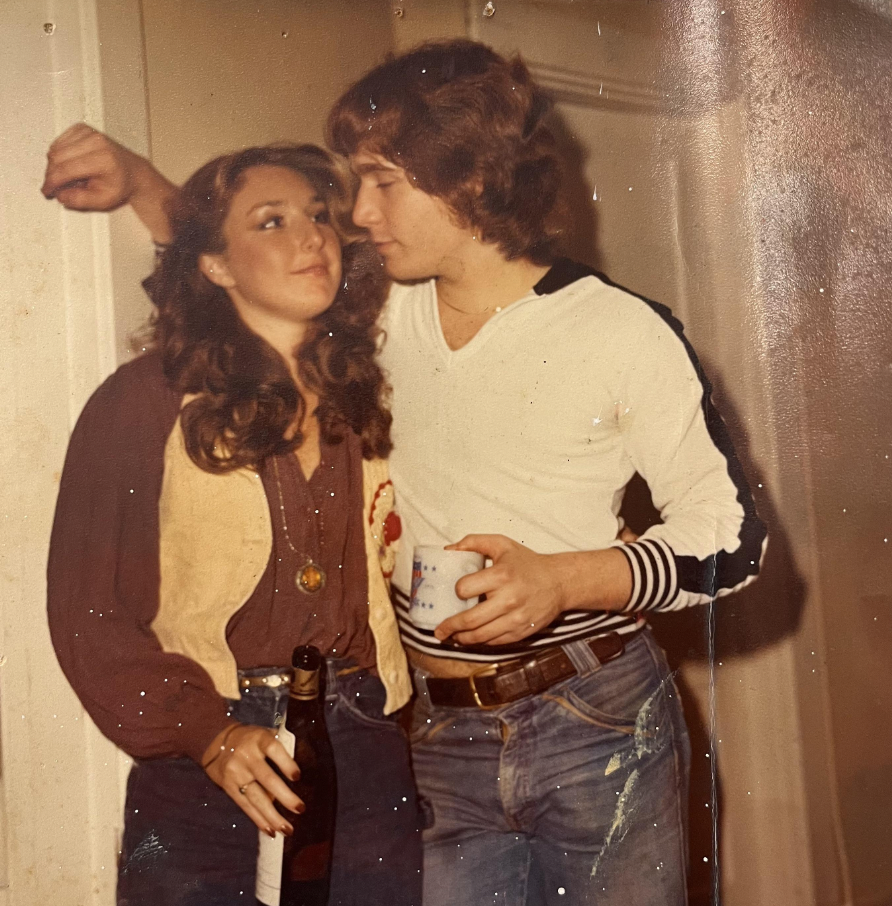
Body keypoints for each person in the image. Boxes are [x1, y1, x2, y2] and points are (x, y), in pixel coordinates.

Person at [43, 39, 767, 906]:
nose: (356, 215)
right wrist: (134, 179)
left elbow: (734, 539)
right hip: (431, 735)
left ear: (465, 179)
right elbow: (244, 268)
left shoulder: (623, 332)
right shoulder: (374, 315)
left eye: (381, 182)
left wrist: (568, 579)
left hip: (595, 720)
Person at [46, 143, 422, 906]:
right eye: (272, 222)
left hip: (365, 742)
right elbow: (89, 611)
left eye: (320, 216)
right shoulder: (142, 400)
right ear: (215, 266)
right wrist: (209, 733)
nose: (312, 237)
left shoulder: (373, 387)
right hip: (206, 749)